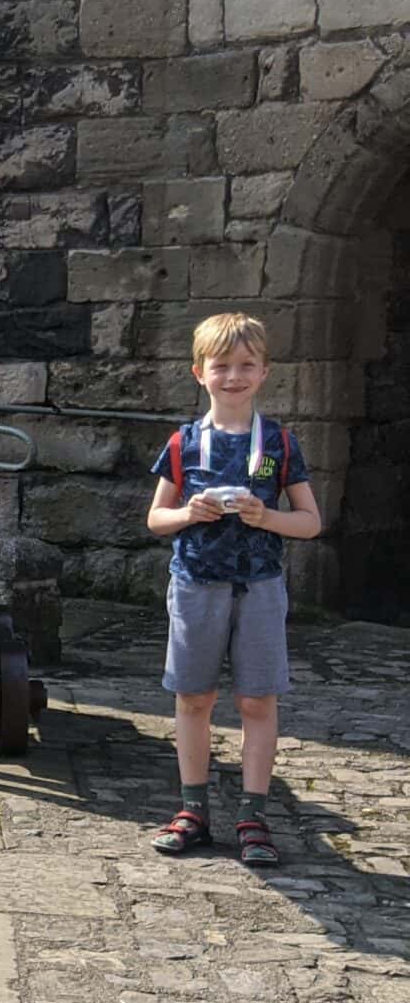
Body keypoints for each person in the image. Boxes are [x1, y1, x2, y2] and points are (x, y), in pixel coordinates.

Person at [145, 312, 322, 866]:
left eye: (246, 366)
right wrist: (187, 513)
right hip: (197, 585)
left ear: (265, 373)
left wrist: (266, 516)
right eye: (222, 366)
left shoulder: (279, 444)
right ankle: (192, 809)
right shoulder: (183, 443)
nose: (234, 376)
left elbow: (311, 522)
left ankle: (253, 815)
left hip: (260, 588)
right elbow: (155, 519)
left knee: (256, 700)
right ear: (200, 373)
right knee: (194, 698)